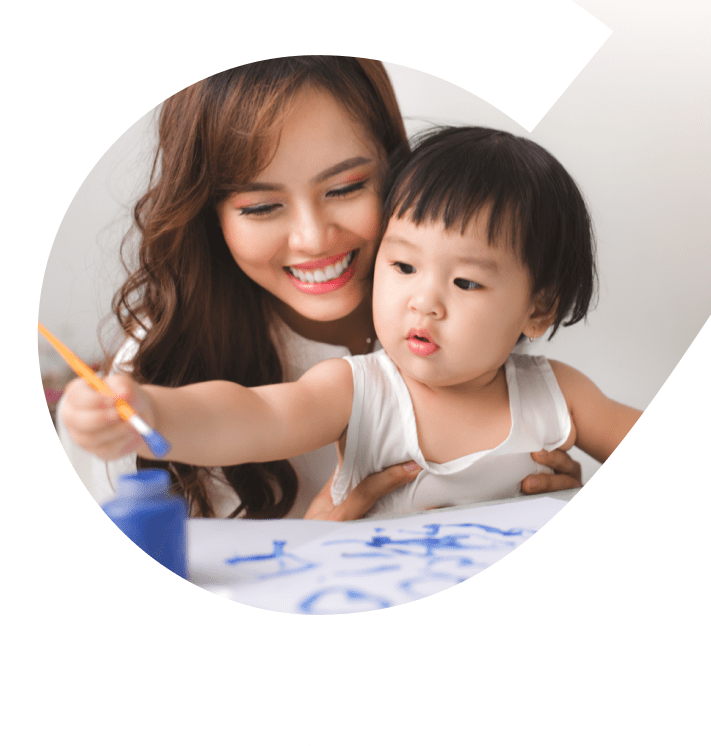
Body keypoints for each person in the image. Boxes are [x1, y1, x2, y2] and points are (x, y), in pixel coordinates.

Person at [59, 59, 582, 518]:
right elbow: (253, 414)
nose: (313, 239)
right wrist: (319, 548)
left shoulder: (521, 367)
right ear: (209, 216)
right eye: (261, 206)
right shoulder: (156, 365)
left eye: (347, 187)